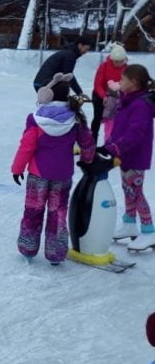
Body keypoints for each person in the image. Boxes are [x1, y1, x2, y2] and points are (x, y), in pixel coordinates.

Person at [11, 73, 95, 265]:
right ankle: (56, 254)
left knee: (33, 211)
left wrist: (17, 169)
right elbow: (87, 143)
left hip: (37, 176)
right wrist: (88, 160)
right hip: (62, 176)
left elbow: (26, 146)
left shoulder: (36, 119)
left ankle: (28, 248)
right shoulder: (75, 118)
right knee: (58, 214)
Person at [102, 64, 155, 251]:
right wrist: (111, 143)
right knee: (128, 189)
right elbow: (120, 126)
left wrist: (116, 146)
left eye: (122, 79)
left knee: (136, 191)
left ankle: (149, 230)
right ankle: (129, 223)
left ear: (133, 82)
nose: (119, 82)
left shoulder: (140, 104)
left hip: (135, 154)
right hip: (125, 154)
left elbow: (136, 133)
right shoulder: (129, 100)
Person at [90, 42, 127, 144]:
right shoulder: (104, 66)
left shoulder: (127, 68)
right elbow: (97, 84)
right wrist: (104, 96)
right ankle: (92, 143)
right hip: (100, 95)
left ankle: (112, 143)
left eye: (121, 61)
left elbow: (127, 85)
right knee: (97, 119)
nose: (118, 63)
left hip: (117, 98)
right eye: (116, 61)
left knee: (115, 122)